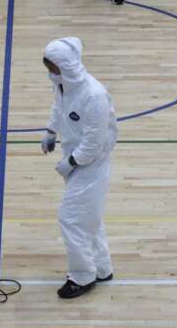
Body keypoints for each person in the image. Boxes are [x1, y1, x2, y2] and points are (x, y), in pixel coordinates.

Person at [40, 37, 118, 299]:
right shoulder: (64, 85)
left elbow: (94, 142)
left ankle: (82, 275)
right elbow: (59, 108)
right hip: (74, 158)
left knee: (71, 218)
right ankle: (102, 267)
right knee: (88, 215)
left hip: (90, 164)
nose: (51, 74)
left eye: (53, 68)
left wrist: (70, 163)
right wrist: (52, 131)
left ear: (67, 66)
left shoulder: (94, 95)